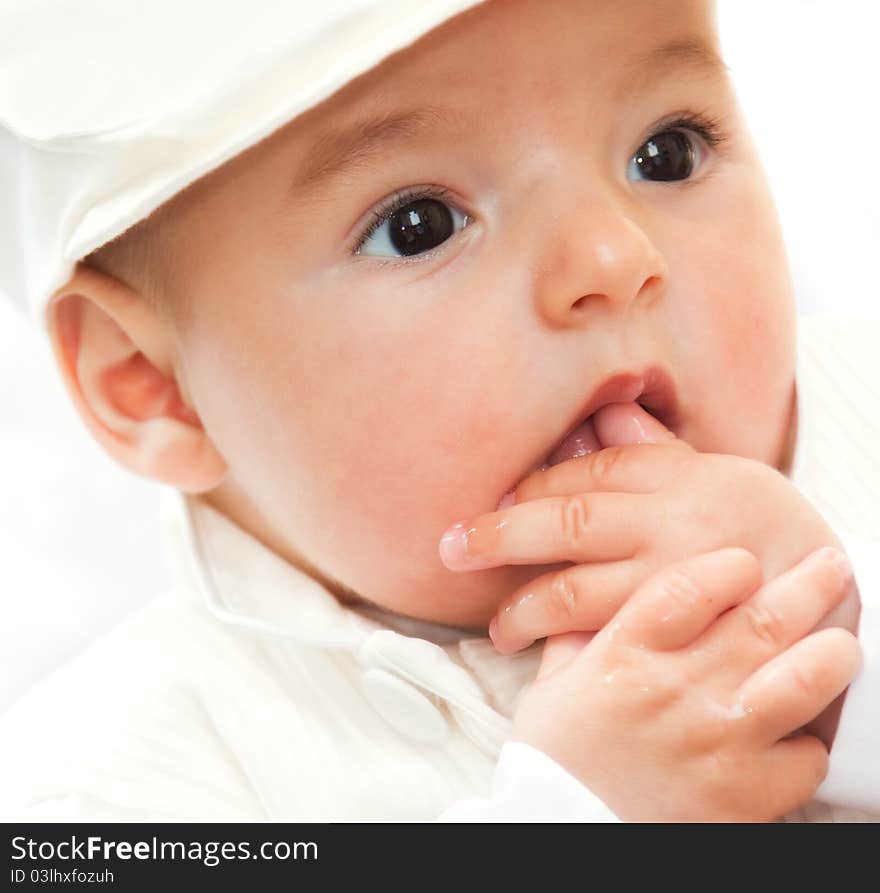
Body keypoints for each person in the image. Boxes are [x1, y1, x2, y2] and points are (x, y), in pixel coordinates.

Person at [0, 0, 878, 822]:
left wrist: (845, 667)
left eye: (667, 152)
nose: (614, 256)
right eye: (419, 224)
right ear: (152, 385)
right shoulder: (111, 783)